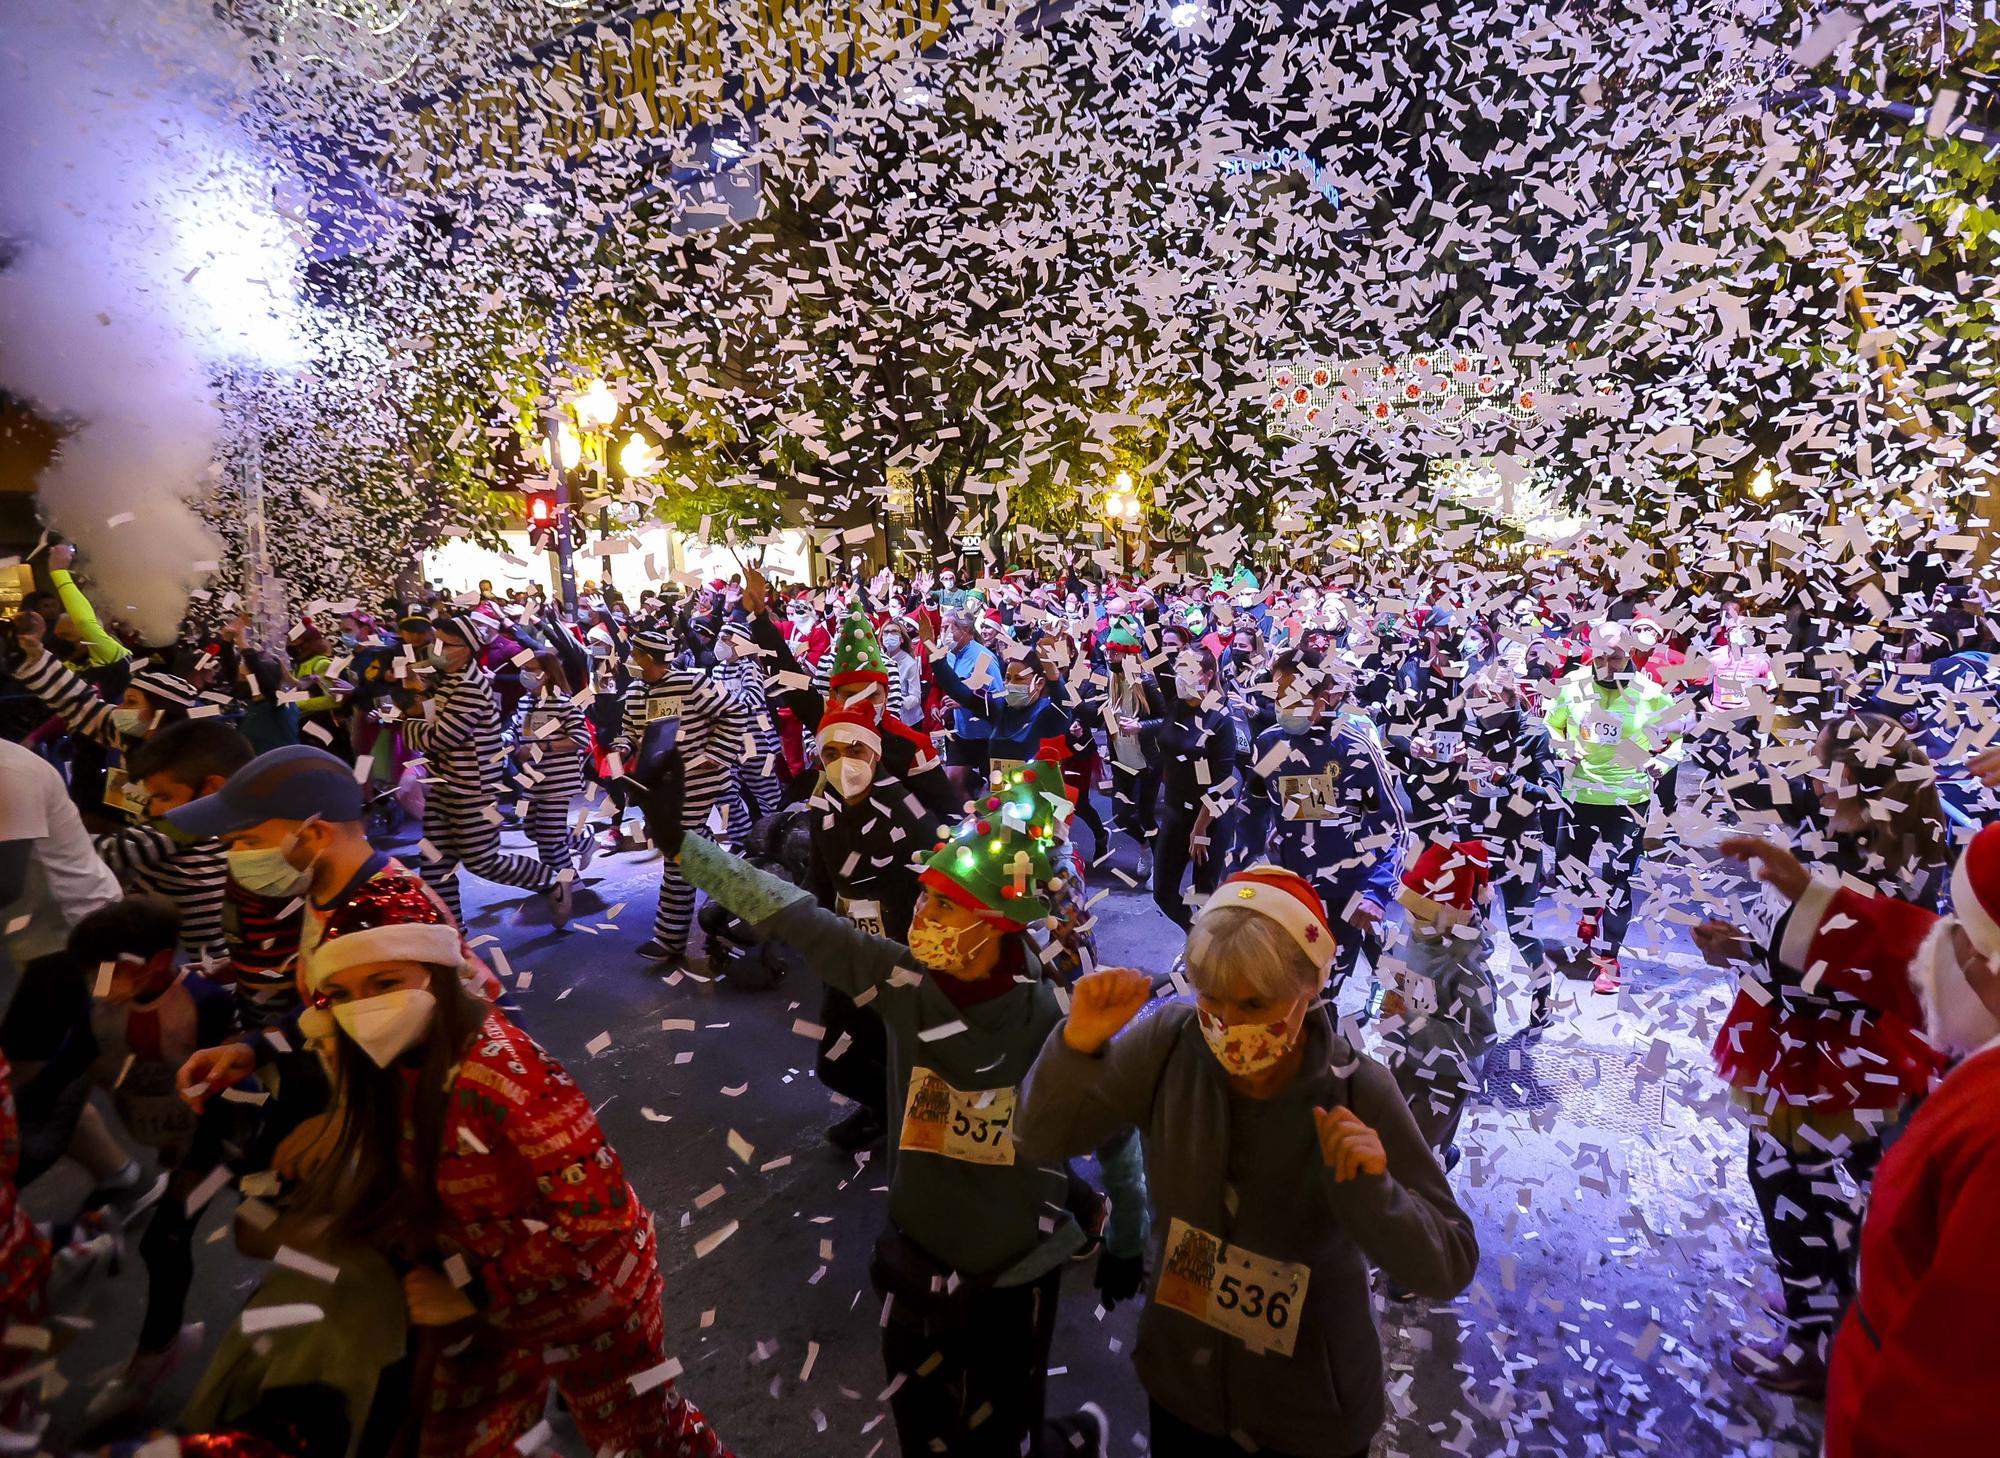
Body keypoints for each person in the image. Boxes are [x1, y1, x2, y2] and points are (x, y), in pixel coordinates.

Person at [633, 749, 1142, 1458]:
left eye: (941, 905)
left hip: (1017, 1273)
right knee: (928, 1427)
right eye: (924, 898)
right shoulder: (905, 981)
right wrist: (682, 847)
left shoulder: (1053, 1015)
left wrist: (1127, 1238)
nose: (921, 914)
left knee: (1003, 1424)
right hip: (917, 1255)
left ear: (994, 925)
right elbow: (798, 917)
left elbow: (1115, 1131)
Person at [238, 875, 730, 1458]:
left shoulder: (506, 1073)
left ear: (439, 973)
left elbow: (599, 1225)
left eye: (385, 982)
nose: (363, 1010)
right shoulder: (387, 1062)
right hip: (473, 1281)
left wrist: (478, 1297)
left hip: (589, 1298)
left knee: (643, 1437)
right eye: (340, 995)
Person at [1016, 866, 1479, 1458]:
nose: (1227, 1023)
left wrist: (1376, 1194)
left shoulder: (1359, 1091)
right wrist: (1074, 1047)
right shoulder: (1169, 1046)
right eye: (1211, 996)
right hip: (1184, 1387)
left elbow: (1450, 1261)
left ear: (1310, 988)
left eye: (1255, 1003)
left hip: (1309, 1413)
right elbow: (1037, 1138)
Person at [1689, 715, 1950, 1394]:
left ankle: (1812, 1343)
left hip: (1831, 1062)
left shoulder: (1887, 861)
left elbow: (1846, 979)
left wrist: (1749, 957)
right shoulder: (1884, 838)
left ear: (1856, 776)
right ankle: (1825, 1303)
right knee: (1833, 1189)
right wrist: (1746, 949)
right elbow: (1818, 952)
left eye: (1825, 765)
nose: (1813, 777)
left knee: (1797, 1192)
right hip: (1839, 1053)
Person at [1721, 825, 2000, 1457]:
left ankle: (1814, 1317)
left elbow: (1958, 1360)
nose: (1941, 954)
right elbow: (1916, 957)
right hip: (1873, 1359)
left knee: (1793, 1180)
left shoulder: (1990, 1129)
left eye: (1965, 937)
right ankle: (1818, 1299)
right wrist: (1814, 902)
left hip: (1893, 1414)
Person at [59, 896, 244, 1425]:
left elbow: (227, 1096)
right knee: (170, 1236)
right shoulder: (105, 988)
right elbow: (76, 1048)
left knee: (169, 1237)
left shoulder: (204, 1004)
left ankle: (157, 1356)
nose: (100, 984)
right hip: (173, 1138)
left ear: (158, 964)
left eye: (108, 972)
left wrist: (193, 1171)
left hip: (223, 1148)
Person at [804, 702, 947, 1149]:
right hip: (849, 951)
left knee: (913, 1050)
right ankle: (889, 1111)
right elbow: (821, 875)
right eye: (831, 754)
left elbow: (935, 889)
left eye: (855, 751)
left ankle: (915, 1124)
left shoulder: (907, 812)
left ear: (875, 754)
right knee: (836, 1058)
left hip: (903, 955)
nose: (843, 763)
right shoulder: (821, 803)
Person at [396, 613, 574, 925]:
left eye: (444, 643)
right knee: (436, 864)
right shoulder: (447, 681)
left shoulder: (468, 687)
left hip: (472, 788)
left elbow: (440, 737)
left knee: (483, 861)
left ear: (465, 648)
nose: (435, 648)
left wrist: (405, 721)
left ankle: (552, 879)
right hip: (445, 785)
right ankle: (452, 934)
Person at [1543, 621, 1686, 993]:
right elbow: (1550, 728)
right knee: (1566, 872)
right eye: (1601, 656)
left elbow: (1678, 739)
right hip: (1578, 798)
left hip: (1627, 800)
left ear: (1630, 653)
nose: (1608, 664)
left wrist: (1664, 761)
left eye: (1617, 656)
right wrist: (1563, 749)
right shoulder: (1572, 687)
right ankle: (1591, 907)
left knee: (1619, 881)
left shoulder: (1650, 693)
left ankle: (1609, 959)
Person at [1253, 656, 1407, 985]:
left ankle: (1383, 971)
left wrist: (1376, 893)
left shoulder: (1356, 750)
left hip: (1347, 894)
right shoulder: (1270, 744)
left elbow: (1394, 831)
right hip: (1295, 890)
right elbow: (1253, 805)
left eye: (1293, 694)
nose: (1283, 704)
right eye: (1278, 694)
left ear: (1325, 699)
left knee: (1324, 987)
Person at [614, 626, 740, 966]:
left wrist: (716, 753)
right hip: (659, 784)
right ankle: (743, 895)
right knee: (692, 846)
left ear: (647, 657)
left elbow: (735, 711)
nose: (630, 659)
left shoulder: (693, 683)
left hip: (695, 780)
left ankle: (669, 937)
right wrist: (623, 746)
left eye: (634, 653)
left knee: (678, 850)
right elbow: (630, 729)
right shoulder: (637, 689)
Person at [1380, 842, 1497, 1165]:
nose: (1411, 916)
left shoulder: (1468, 967)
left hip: (1445, 1078)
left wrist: (1413, 1022)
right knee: (1397, 1135)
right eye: (1411, 909)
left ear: (1444, 914)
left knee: (1417, 1157)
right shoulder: (1417, 928)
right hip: (1406, 1060)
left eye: (1420, 911)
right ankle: (1442, 1155)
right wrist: (1391, 995)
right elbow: (1398, 964)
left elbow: (1481, 1037)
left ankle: (1433, 1179)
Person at [1147, 647, 1239, 930]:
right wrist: (1149, 610)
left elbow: (1222, 782)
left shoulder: (1219, 718)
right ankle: (1198, 938)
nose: (1179, 676)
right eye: (1178, 668)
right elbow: (1156, 655)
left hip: (1211, 816)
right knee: (1163, 893)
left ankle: (1211, 949)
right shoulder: (1174, 703)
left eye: (1188, 669)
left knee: (1203, 893)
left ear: (1208, 675)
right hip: (1176, 808)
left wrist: (1199, 829)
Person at [508, 648, 592, 877]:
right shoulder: (525, 701)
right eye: (523, 669)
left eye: (529, 670)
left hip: (558, 781)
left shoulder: (563, 703)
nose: (523, 674)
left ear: (545, 673)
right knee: (531, 829)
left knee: (549, 839)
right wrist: (504, 740)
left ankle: (567, 884)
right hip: (531, 778)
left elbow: (581, 739)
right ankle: (584, 840)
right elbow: (516, 729)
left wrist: (542, 747)